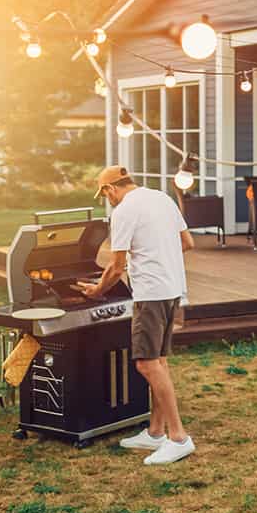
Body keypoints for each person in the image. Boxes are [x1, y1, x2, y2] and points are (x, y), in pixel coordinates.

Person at [77, 166, 196, 465]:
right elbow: (187, 243)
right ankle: (155, 432)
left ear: (109, 189)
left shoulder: (124, 211)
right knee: (159, 361)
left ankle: (178, 438)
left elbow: (116, 266)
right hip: (172, 289)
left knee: (146, 364)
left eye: (105, 195)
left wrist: (96, 290)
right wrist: (156, 256)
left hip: (151, 294)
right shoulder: (162, 198)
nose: (109, 200)